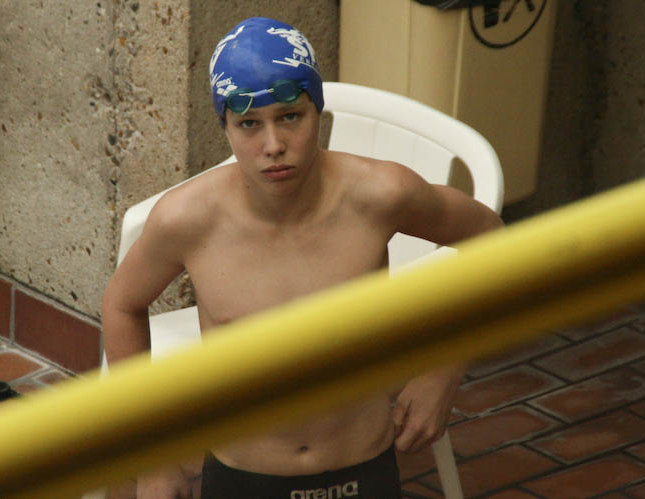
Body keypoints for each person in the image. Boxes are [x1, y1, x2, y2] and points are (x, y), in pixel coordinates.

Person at [102, 16, 504, 499]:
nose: (273, 146)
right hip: (243, 477)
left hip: (363, 469)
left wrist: (444, 369)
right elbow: (122, 305)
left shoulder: (380, 195)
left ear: (318, 110)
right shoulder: (187, 220)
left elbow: (491, 238)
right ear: (225, 126)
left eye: (290, 116)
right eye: (249, 124)